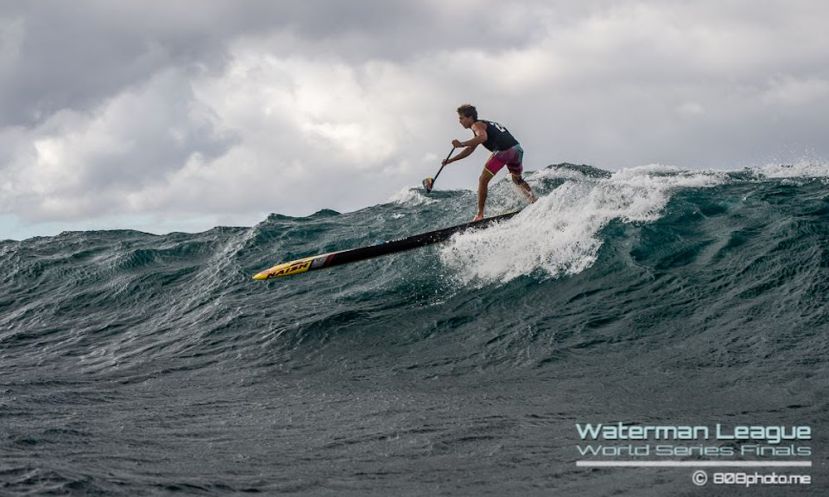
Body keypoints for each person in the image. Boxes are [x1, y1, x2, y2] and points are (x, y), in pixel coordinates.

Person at [443, 104, 536, 221]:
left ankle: (479, 215)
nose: (460, 121)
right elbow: (470, 149)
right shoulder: (484, 124)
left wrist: (461, 143)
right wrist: (450, 160)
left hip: (504, 151)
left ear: (470, 117)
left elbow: (483, 138)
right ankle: (534, 202)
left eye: (461, 118)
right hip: (517, 150)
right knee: (517, 179)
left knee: (483, 180)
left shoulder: (476, 125)